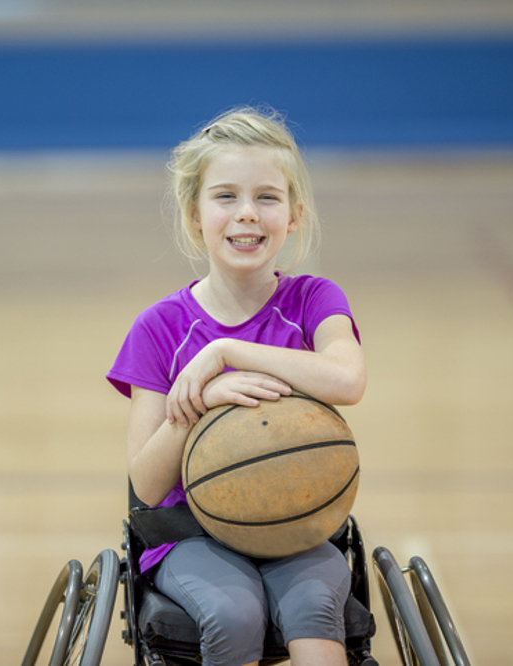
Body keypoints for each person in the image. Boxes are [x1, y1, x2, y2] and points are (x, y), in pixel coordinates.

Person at [107, 106, 367, 666]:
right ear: (194, 215)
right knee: (234, 613)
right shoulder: (158, 328)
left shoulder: (313, 302)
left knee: (317, 606)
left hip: (295, 523)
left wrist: (225, 352)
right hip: (192, 535)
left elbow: (347, 379)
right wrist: (198, 409)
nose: (247, 214)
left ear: (294, 215)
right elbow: (147, 487)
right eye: (225, 196)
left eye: (267, 198)